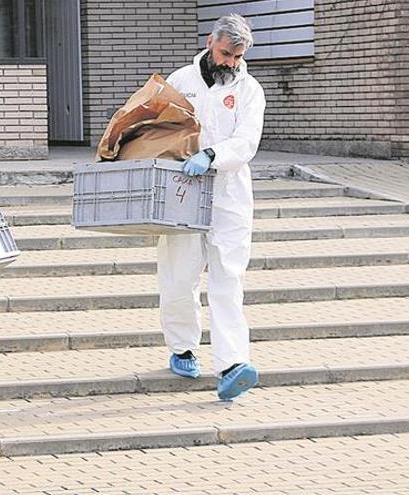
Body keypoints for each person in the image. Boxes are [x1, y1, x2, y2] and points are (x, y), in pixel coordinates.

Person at [159, 14, 266, 401]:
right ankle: (182, 346)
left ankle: (233, 363)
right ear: (210, 42)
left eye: (237, 57)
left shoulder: (250, 90)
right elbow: (156, 126)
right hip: (182, 190)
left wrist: (210, 154)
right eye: (226, 54)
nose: (230, 63)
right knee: (178, 274)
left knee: (228, 280)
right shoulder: (179, 81)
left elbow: (246, 142)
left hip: (228, 192)